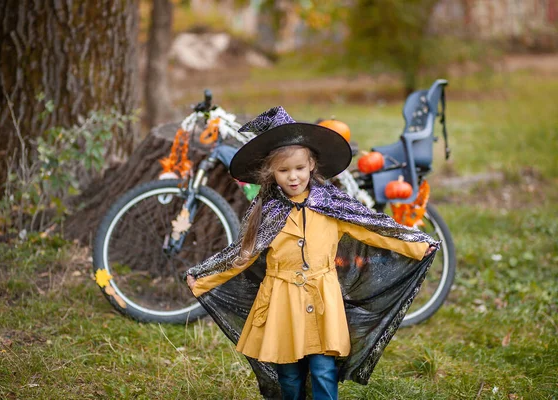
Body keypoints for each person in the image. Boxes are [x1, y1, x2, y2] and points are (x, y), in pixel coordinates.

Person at [185, 106, 438, 400]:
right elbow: (242, 254)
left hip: (322, 298)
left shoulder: (331, 205)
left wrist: (417, 245)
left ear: (312, 166)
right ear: (271, 173)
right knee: (289, 374)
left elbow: (375, 230)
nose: (293, 177)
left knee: (323, 368)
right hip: (281, 301)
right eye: (283, 170)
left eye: (299, 169)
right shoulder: (266, 212)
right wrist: (204, 278)